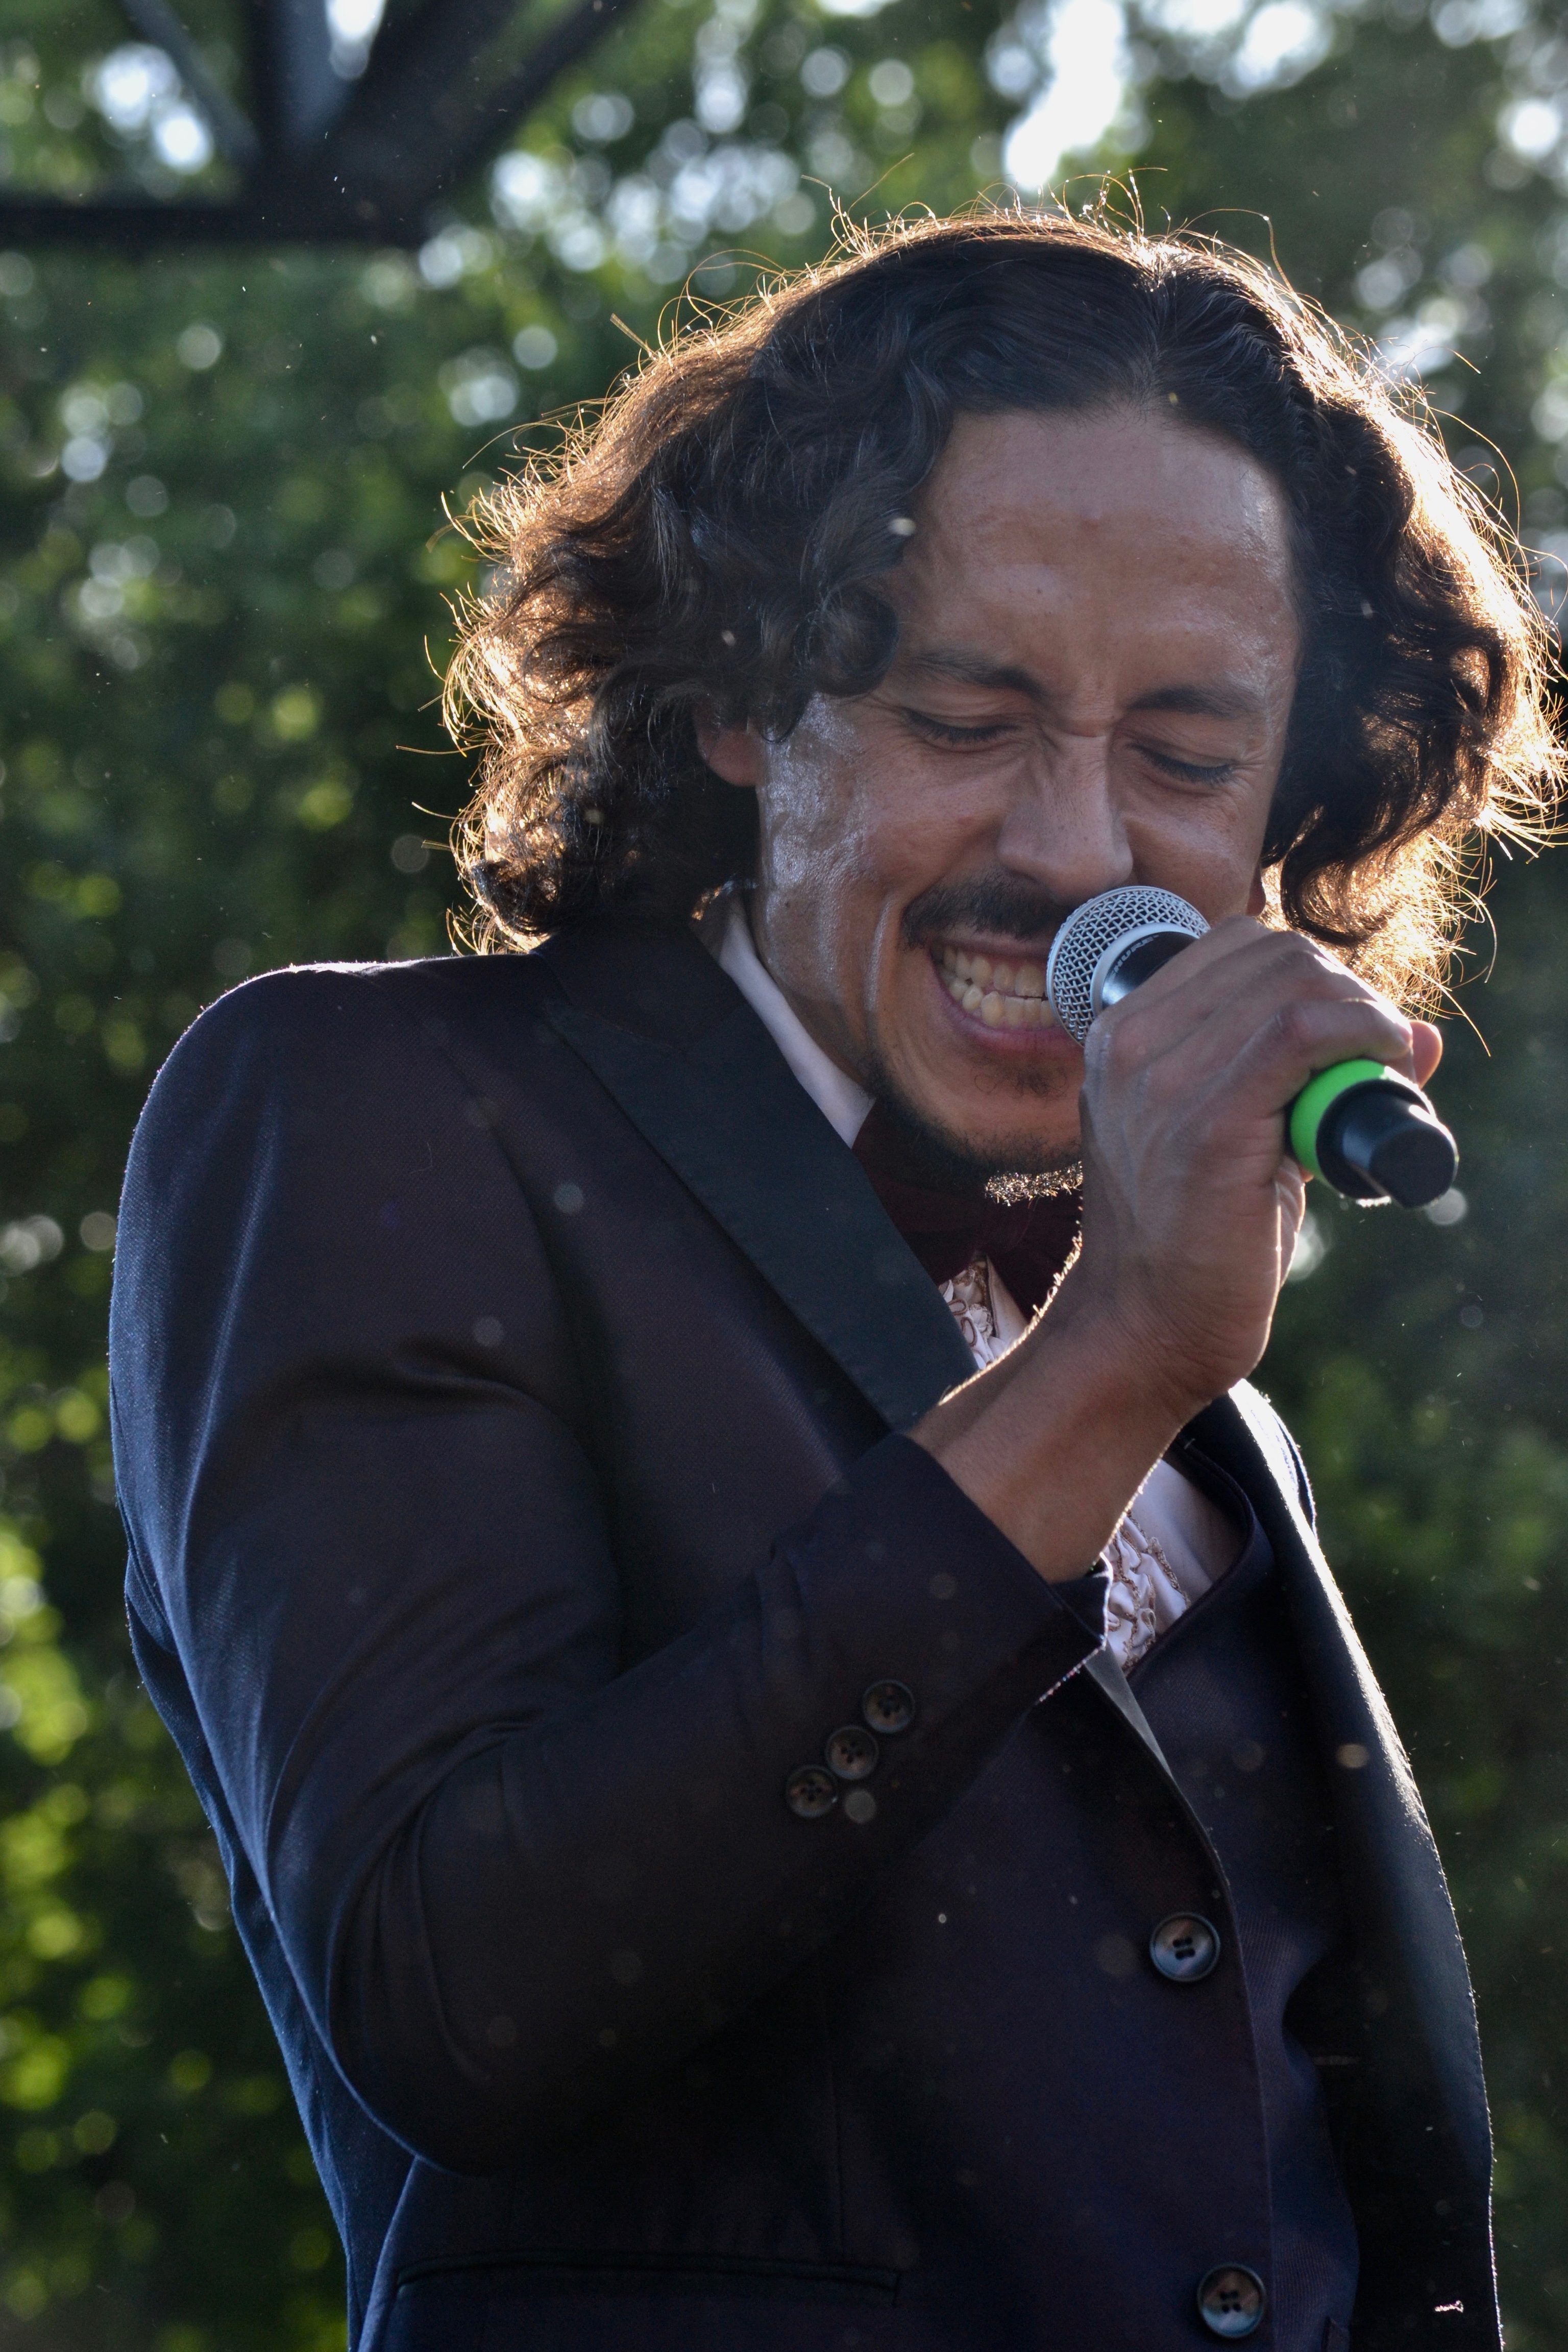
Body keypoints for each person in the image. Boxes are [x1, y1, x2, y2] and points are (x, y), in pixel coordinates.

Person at [109, 212, 1557, 2352]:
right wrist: (1111, 1366)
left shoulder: (1200, 1377)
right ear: (730, 702)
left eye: (1181, 756)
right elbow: (461, 1995)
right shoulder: (369, 1106)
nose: (1071, 849)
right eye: (967, 711)